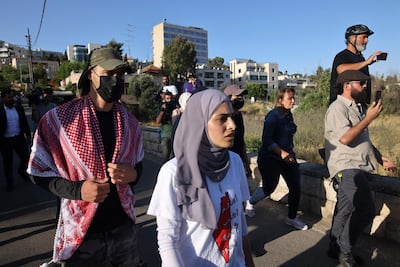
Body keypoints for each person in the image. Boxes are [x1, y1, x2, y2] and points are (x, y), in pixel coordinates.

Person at [27, 47, 144, 266]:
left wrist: (133, 175)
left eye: (120, 75)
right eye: (108, 74)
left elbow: (138, 166)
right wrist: (78, 190)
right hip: (82, 235)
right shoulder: (60, 121)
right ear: (90, 74)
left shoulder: (131, 123)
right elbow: (38, 172)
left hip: (123, 229)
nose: (115, 81)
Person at [147, 89, 255, 267]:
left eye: (232, 117)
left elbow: (239, 222)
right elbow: (167, 241)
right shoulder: (173, 172)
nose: (232, 125)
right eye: (222, 119)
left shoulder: (234, 163)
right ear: (200, 123)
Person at [324, 70, 397, 267]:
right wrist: (369, 118)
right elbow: (346, 138)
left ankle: (334, 247)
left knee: (346, 209)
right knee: (366, 209)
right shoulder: (337, 108)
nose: (365, 87)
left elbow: (363, 139)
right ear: (347, 85)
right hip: (347, 167)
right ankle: (345, 251)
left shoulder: (357, 108)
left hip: (359, 166)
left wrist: (381, 159)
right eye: (361, 84)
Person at [246, 88, 308, 230]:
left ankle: (291, 218)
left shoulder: (288, 115)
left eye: (293, 98)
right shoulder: (272, 116)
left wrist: (288, 154)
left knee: (295, 186)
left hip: (287, 157)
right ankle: (250, 202)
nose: (293, 101)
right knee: (269, 187)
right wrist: (282, 154)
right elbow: (267, 140)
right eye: (289, 99)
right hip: (270, 158)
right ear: (280, 100)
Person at [329, 24, 385, 105]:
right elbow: (341, 70)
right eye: (364, 37)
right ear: (352, 38)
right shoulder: (342, 56)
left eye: (367, 38)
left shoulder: (361, 58)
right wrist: (366, 63)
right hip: (344, 106)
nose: (366, 40)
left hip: (359, 106)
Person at [0, 88, 31, 192]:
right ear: (3, 98)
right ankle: (10, 183)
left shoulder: (19, 109)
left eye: (12, 96)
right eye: (8, 97)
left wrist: (28, 136)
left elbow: (25, 124)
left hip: (19, 138)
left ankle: (21, 171)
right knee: (7, 162)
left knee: (26, 158)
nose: (11, 99)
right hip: (5, 141)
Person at [224, 85, 251, 177]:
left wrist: (246, 164)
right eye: (238, 96)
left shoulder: (239, 116)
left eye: (241, 96)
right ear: (228, 97)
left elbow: (241, 141)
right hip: (226, 162)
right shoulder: (223, 118)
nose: (241, 99)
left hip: (238, 160)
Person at [156, 91, 175, 162]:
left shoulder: (174, 107)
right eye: (167, 99)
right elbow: (157, 121)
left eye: (170, 98)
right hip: (165, 136)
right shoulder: (162, 108)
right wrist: (162, 111)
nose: (169, 100)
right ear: (164, 99)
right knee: (165, 157)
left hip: (174, 135)